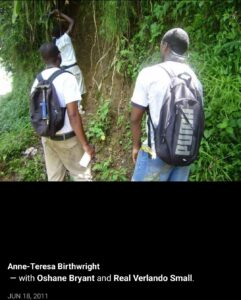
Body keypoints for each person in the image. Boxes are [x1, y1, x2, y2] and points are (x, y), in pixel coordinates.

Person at [130, 28, 203, 181]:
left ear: (165, 46)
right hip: (184, 152)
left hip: (154, 152)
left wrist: (136, 146)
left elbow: (135, 118)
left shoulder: (149, 74)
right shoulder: (195, 80)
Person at [31, 42, 95, 181]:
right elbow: (73, 114)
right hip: (68, 139)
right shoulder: (67, 77)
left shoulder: (37, 80)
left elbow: (36, 111)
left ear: (43, 59)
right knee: (81, 175)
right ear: (59, 57)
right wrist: (85, 145)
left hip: (47, 138)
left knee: (55, 178)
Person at [50, 9, 86, 114]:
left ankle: (70, 110)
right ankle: (79, 109)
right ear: (62, 32)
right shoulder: (66, 37)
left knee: (70, 90)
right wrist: (60, 13)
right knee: (79, 87)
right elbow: (72, 22)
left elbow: (53, 36)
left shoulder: (55, 44)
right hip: (73, 67)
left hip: (64, 69)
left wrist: (52, 16)